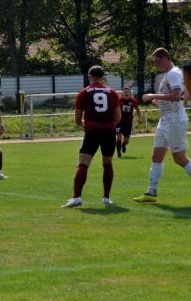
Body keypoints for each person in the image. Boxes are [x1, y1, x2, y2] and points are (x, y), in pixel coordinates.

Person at [133, 48, 191, 203]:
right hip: (164, 121)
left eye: (157, 62)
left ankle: (151, 192)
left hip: (174, 121)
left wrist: (154, 95)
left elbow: (177, 95)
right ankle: (151, 193)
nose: (156, 65)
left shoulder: (173, 73)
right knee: (156, 156)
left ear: (165, 58)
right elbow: (186, 96)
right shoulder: (172, 73)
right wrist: (161, 101)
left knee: (179, 158)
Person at [62, 65, 121, 208]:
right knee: (107, 163)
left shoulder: (84, 92)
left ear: (89, 77)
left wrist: (86, 125)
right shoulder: (113, 93)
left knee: (83, 163)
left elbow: (77, 119)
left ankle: (77, 198)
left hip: (92, 132)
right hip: (109, 132)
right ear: (103, 78)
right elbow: (118, 117)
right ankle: (106, 198)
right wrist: (107, 125)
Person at [116, 86, 142, 157]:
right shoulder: (119, 100)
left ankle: (123, 144)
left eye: (128, 92)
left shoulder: (133, 101)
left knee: (126, 141)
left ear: (130, 93)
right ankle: (119, 153)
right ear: (123, 93)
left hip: (128, 123)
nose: (126, 93)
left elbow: (138, 109)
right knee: (118, 138)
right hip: (119, 122)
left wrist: (140, 118)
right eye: (125, 92)